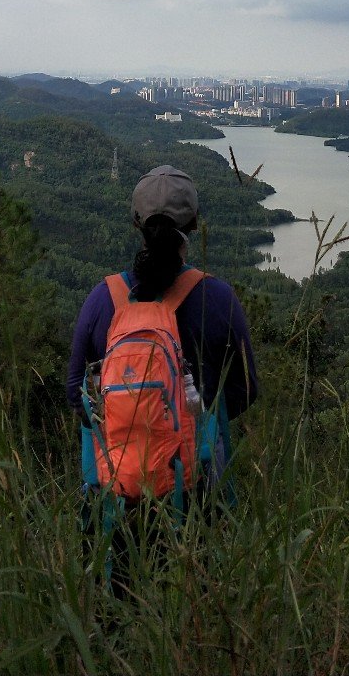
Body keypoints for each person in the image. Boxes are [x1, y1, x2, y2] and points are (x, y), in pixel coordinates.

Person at [67, 163, 258, 501]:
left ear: (136, 224)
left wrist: (130, 424)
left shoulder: (103, 299)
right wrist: (188, 420)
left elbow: (75, 393)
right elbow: (245, 391)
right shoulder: (218, 298)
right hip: (195, 491)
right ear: (195, 224)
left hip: (117, 492)